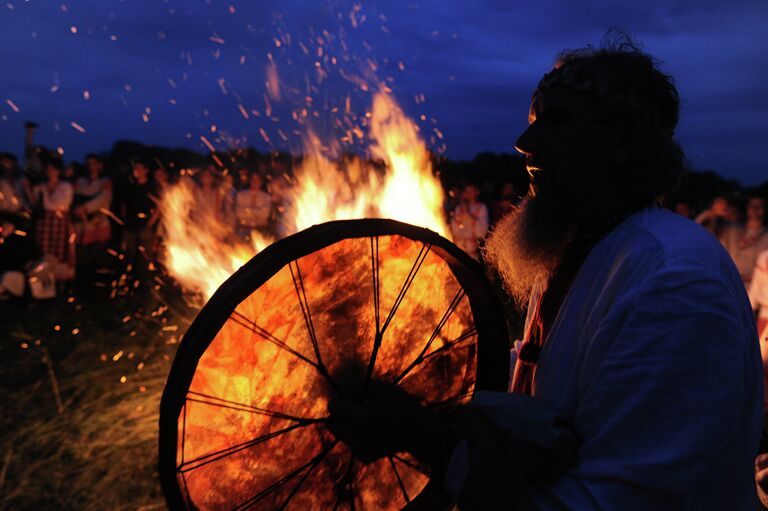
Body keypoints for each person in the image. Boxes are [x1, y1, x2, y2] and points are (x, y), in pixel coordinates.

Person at [327, 35, 762, 509]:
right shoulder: (577, 253)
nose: (524, 144)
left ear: (618, 141)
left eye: (554, 122)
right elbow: (545, 401)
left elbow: (608, 501)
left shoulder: (673, 279)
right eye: (533, 122)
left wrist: (426, 438)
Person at [26, 159, 76, 283]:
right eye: (47, 169)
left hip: (60, 222)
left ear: (58, 171)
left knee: (60, 250)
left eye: (52, 169)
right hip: (44, 222)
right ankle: (44, 279)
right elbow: (34, 203)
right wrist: (27, 188)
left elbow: (62, 203)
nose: (49, 172)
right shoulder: (41, 187)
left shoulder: (65, 186)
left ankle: (60, 281)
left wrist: (47, 204)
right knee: (44, 248)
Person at [120, 158, 157, 288]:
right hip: (130, 226)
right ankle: (128, 282)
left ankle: (144, 284)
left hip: (144, 227)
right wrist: (125, 220)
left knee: (144, 256)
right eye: (135, 168)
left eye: (139, 168)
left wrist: (149, 224)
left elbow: (159, 206)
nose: (136, 171)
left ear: (146, 170)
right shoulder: (131, 186)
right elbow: (124, 205)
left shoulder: (151, 187)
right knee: (129, 254)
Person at [72, 154, 112, 271]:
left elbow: (103, 198)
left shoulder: (105, 182)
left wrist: (85, 207)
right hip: (81, 225)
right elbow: (72, 197)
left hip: (97, 224)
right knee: (82, 257)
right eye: (88, 163)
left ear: (99, 165)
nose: (90, 166)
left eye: (93, 163)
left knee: (98, 256)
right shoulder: (80, 182)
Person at [721, 194, 768, 288]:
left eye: (759, 206)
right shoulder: (732, 230)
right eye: (751, 205)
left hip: (753, 290)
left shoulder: (766, 237)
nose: (755, 208)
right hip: (727, 287)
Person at [449, 183, 489, 258]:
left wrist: (468, 216)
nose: (468, 194)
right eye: (467, 192)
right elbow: (454, 229)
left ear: (477, 192)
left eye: (471, 191)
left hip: (472, 253)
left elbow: (482, 231)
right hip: (458, 250)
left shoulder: (481, 208)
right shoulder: (459, 208)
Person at [235, 172, 271, 242]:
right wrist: (258, 211)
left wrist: (247, 210)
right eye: (253, 180)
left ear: (261, 182)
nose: (255, 183)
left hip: (260, 229)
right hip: (243, 230)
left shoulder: (266, 197)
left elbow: (265, 214)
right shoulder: (241, 195)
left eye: (257, 180)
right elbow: (239, 213)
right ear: (250, 181)